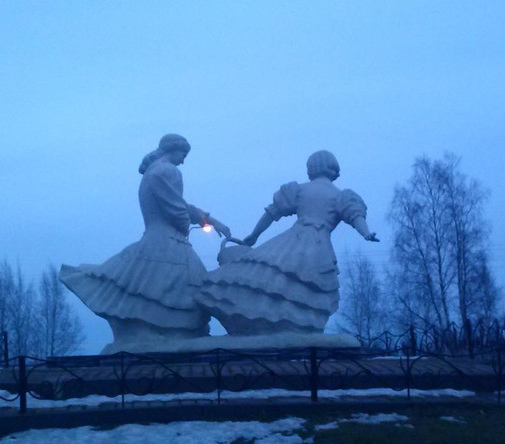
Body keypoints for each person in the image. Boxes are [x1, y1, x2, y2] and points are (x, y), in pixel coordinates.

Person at [60, 134, 230, 351]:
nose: (183, 161)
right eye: (183, 155)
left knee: (157, 289)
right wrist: (186, 227)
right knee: (184, 288)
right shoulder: (168, 171)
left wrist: (210, 221)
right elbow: (177, 210)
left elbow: (179, 205)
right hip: (167, 241)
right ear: (173, 150)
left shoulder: (154, 171)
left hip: (158, 238)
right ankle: (174, 336)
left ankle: (164, 335)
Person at [196, 150, 379, 335]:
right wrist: (366, 233)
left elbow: (271, 213)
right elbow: (356, 217)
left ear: (312, 168)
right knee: (306, 284)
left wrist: (254, 235)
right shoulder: (342, 196)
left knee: (274, 277)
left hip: (292, 241)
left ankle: (274, 317)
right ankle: (295, 322)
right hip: (319, 247)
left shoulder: (300, 190)